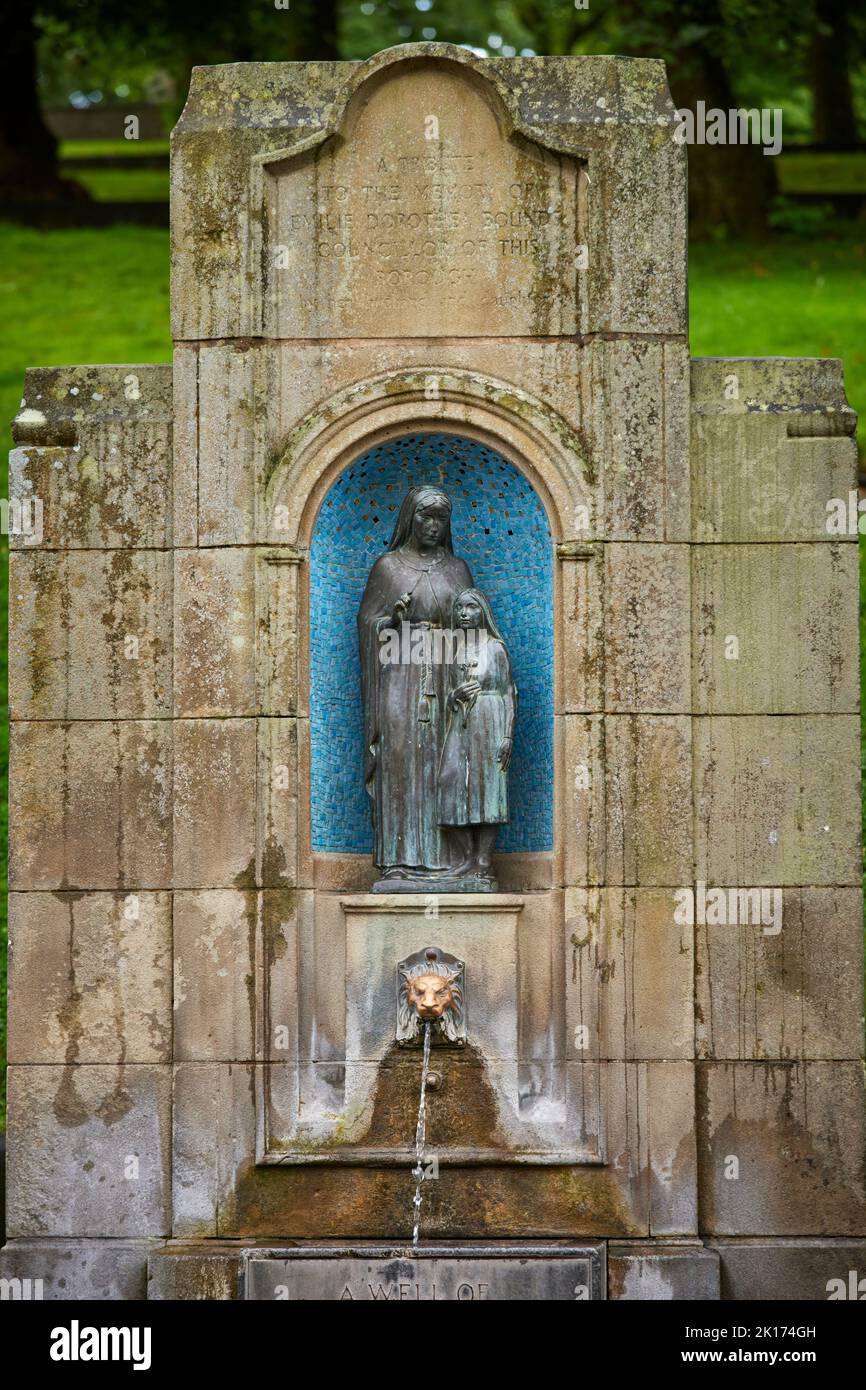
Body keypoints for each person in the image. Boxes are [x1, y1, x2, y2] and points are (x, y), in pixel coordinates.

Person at [357, 485, 473, 884]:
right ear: (410, 518)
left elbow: (473, 623)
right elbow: (368, 625)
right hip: (400, 674)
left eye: (441, 519)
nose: (433, 526)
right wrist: (392, 619)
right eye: (426, 517)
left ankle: (448, 861)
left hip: (444, 674)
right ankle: (399, 859)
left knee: (445, 762)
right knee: (401, 758)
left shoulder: (456, 569)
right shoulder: (388, 567)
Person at [437, 587, 517, 884]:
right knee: (450, 782)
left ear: (482, 612)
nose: (464, 614)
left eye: (471, 608)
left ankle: (484, 861)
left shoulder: (494, 647)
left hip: (490, 720)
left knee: (488, 788)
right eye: (460, 609)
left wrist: (507, 735)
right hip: (461, 722)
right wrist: (453, 695)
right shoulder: (455, 649)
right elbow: (446, 695)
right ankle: (467, 857)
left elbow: (509, 691)